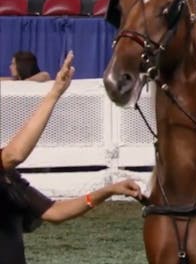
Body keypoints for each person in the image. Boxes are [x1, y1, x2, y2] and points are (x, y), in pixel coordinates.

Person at [0, 52, 142, 264]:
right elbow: (15, 154)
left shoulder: (8, 176)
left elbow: (54, 211)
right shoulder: (6, 163)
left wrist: (107, 191)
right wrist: (54, 94)